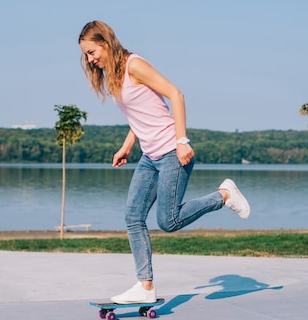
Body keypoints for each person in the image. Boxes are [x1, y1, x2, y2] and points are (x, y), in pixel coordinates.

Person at [78, 20, 250, 304]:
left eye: (92, 51)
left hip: (172, 152)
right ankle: (145, 286)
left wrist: (181, 141)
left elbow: (175, 94)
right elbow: (140, 116)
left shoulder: (134, 65)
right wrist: (126, 146)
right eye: (86, 55)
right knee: (133, 217)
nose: (90, 59)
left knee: (168, 221)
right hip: (150, 157)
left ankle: (224, 195)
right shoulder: (114, 75)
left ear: (106, 43)